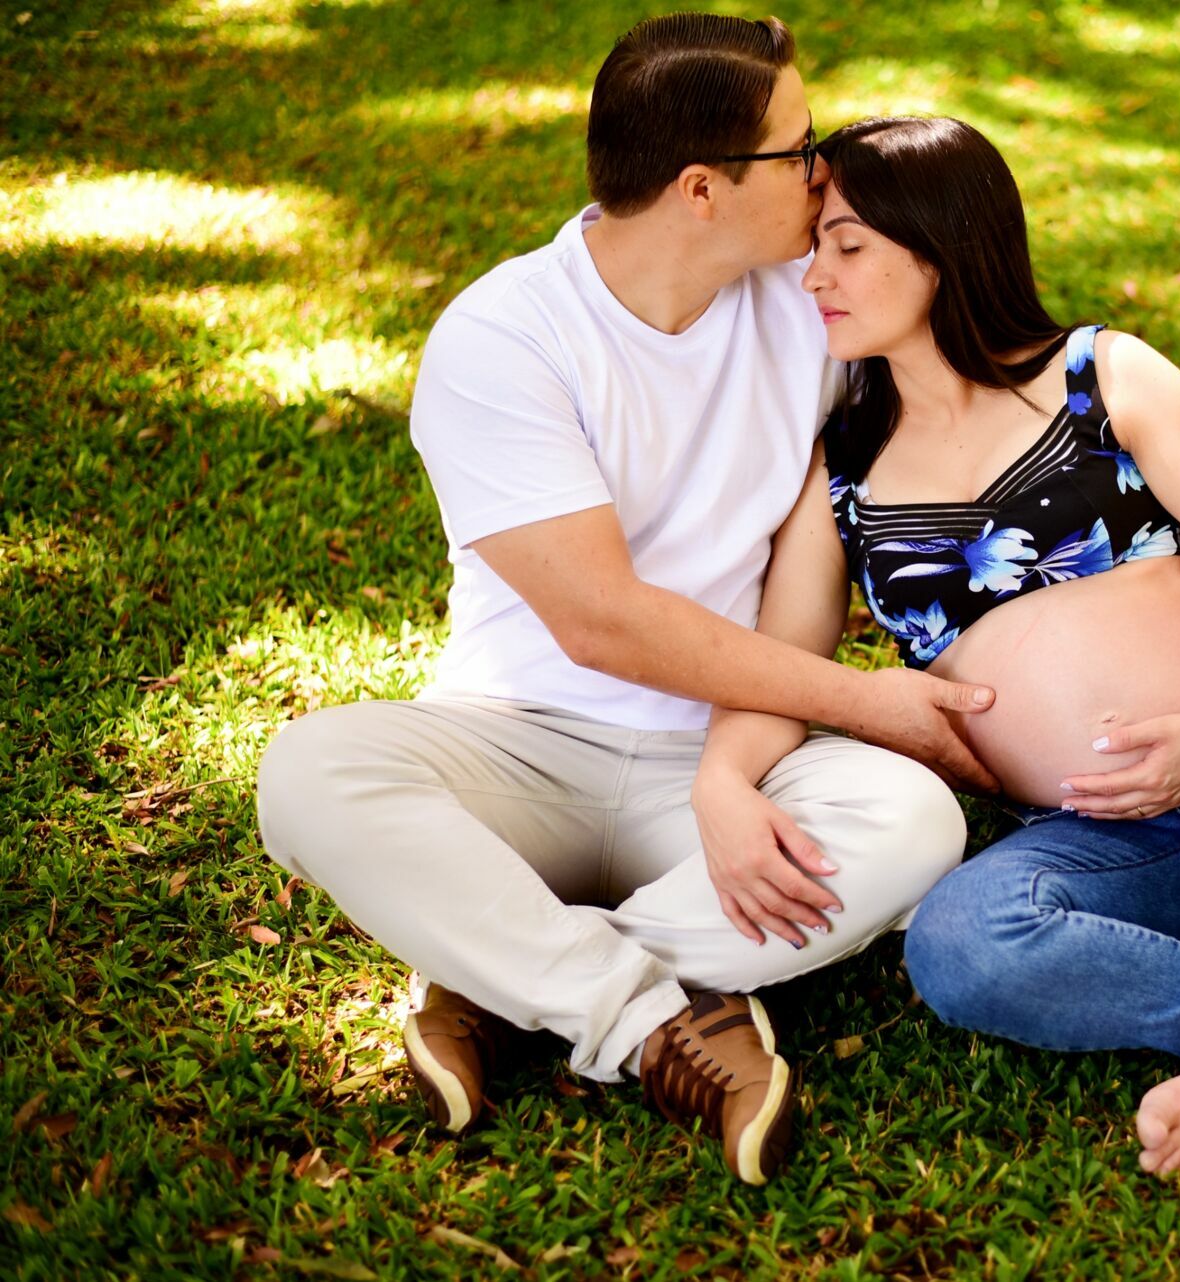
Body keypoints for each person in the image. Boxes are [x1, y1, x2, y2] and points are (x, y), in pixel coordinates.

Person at [252, 15, 1007, 1187]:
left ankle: (504, 980)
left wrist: (1173, 528)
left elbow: (993, 395)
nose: (825, 176)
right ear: (702, 187)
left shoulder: (817, 312)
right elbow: (599, 619)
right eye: (800, 149)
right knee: (310, 771)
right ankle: (647, 1015)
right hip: (518, 743)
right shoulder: (504, 337)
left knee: (914, 823)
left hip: (727, 756)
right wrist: (866, 701)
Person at [698, 115, 1180, 1178]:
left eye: (847, 246)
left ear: (939, 248)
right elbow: (786, 666)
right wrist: (721, 779)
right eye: (815, 252)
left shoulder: (1098, 374)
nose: (815, 279)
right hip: (1103, 845)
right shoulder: (840, 472)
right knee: (958, 943)